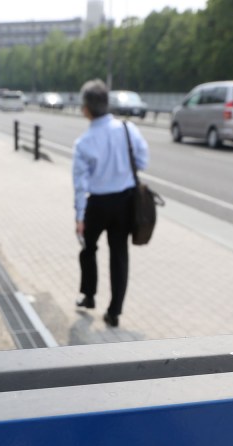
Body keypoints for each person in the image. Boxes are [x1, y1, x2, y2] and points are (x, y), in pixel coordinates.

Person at [72, 79, 150, 328]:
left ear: (86, 108)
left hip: (97, 204)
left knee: (88, 248)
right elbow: (143, 160)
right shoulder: (128, 129)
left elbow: (80, 185)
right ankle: (114, 311)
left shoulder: (84, 143)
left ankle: (88, 295)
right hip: (125, 200)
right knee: (119, 255)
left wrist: (80, 217)